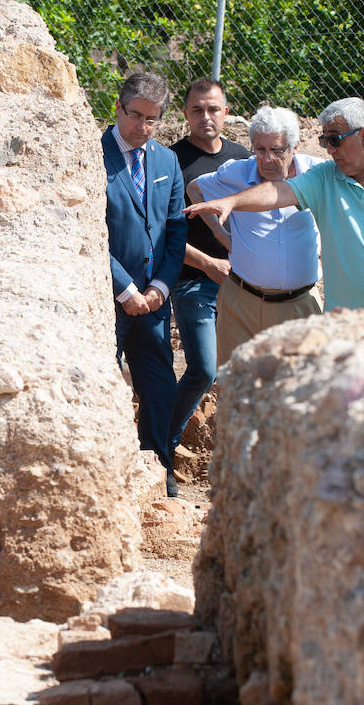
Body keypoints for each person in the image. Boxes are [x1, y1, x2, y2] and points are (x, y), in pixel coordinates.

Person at [185, 96, 364, 311]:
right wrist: (231, 202)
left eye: (335, 139)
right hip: (343, 323)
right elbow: (278, 193)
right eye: (324, 140)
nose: (329, 149)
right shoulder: (326, 176)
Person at [102, 72, 187, 497]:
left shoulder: (167, 162)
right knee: (102, 383)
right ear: (117, 108)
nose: (142, 127)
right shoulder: (92, 155)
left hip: (153, 301)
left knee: (160, 387)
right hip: (105, 296)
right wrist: (125, 288)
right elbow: (90, 231)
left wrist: (160, 287)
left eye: (152, 120)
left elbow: (174, 231)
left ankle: (157, 466)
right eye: (135, 116)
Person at [187, 105, 323, 363]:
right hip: (241, 304)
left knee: (297, 393)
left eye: (277, 150)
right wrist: (222, 236)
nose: (267, 159)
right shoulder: (236, 173)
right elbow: (196, 189)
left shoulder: (318, 175)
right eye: (260, 149)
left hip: (299, 306)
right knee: (235, 389)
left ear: (294, 148)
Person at [167, 78, 250, 459]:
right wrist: (209, 263)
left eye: (213, 109)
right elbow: (160, 233)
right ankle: (160, 449)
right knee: (203, 370)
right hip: (192, 283)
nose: (206, 116)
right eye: (197, 109)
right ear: (185, 113)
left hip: (245, 285)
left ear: (227, 112)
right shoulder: (169, 161)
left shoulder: (243, 158)